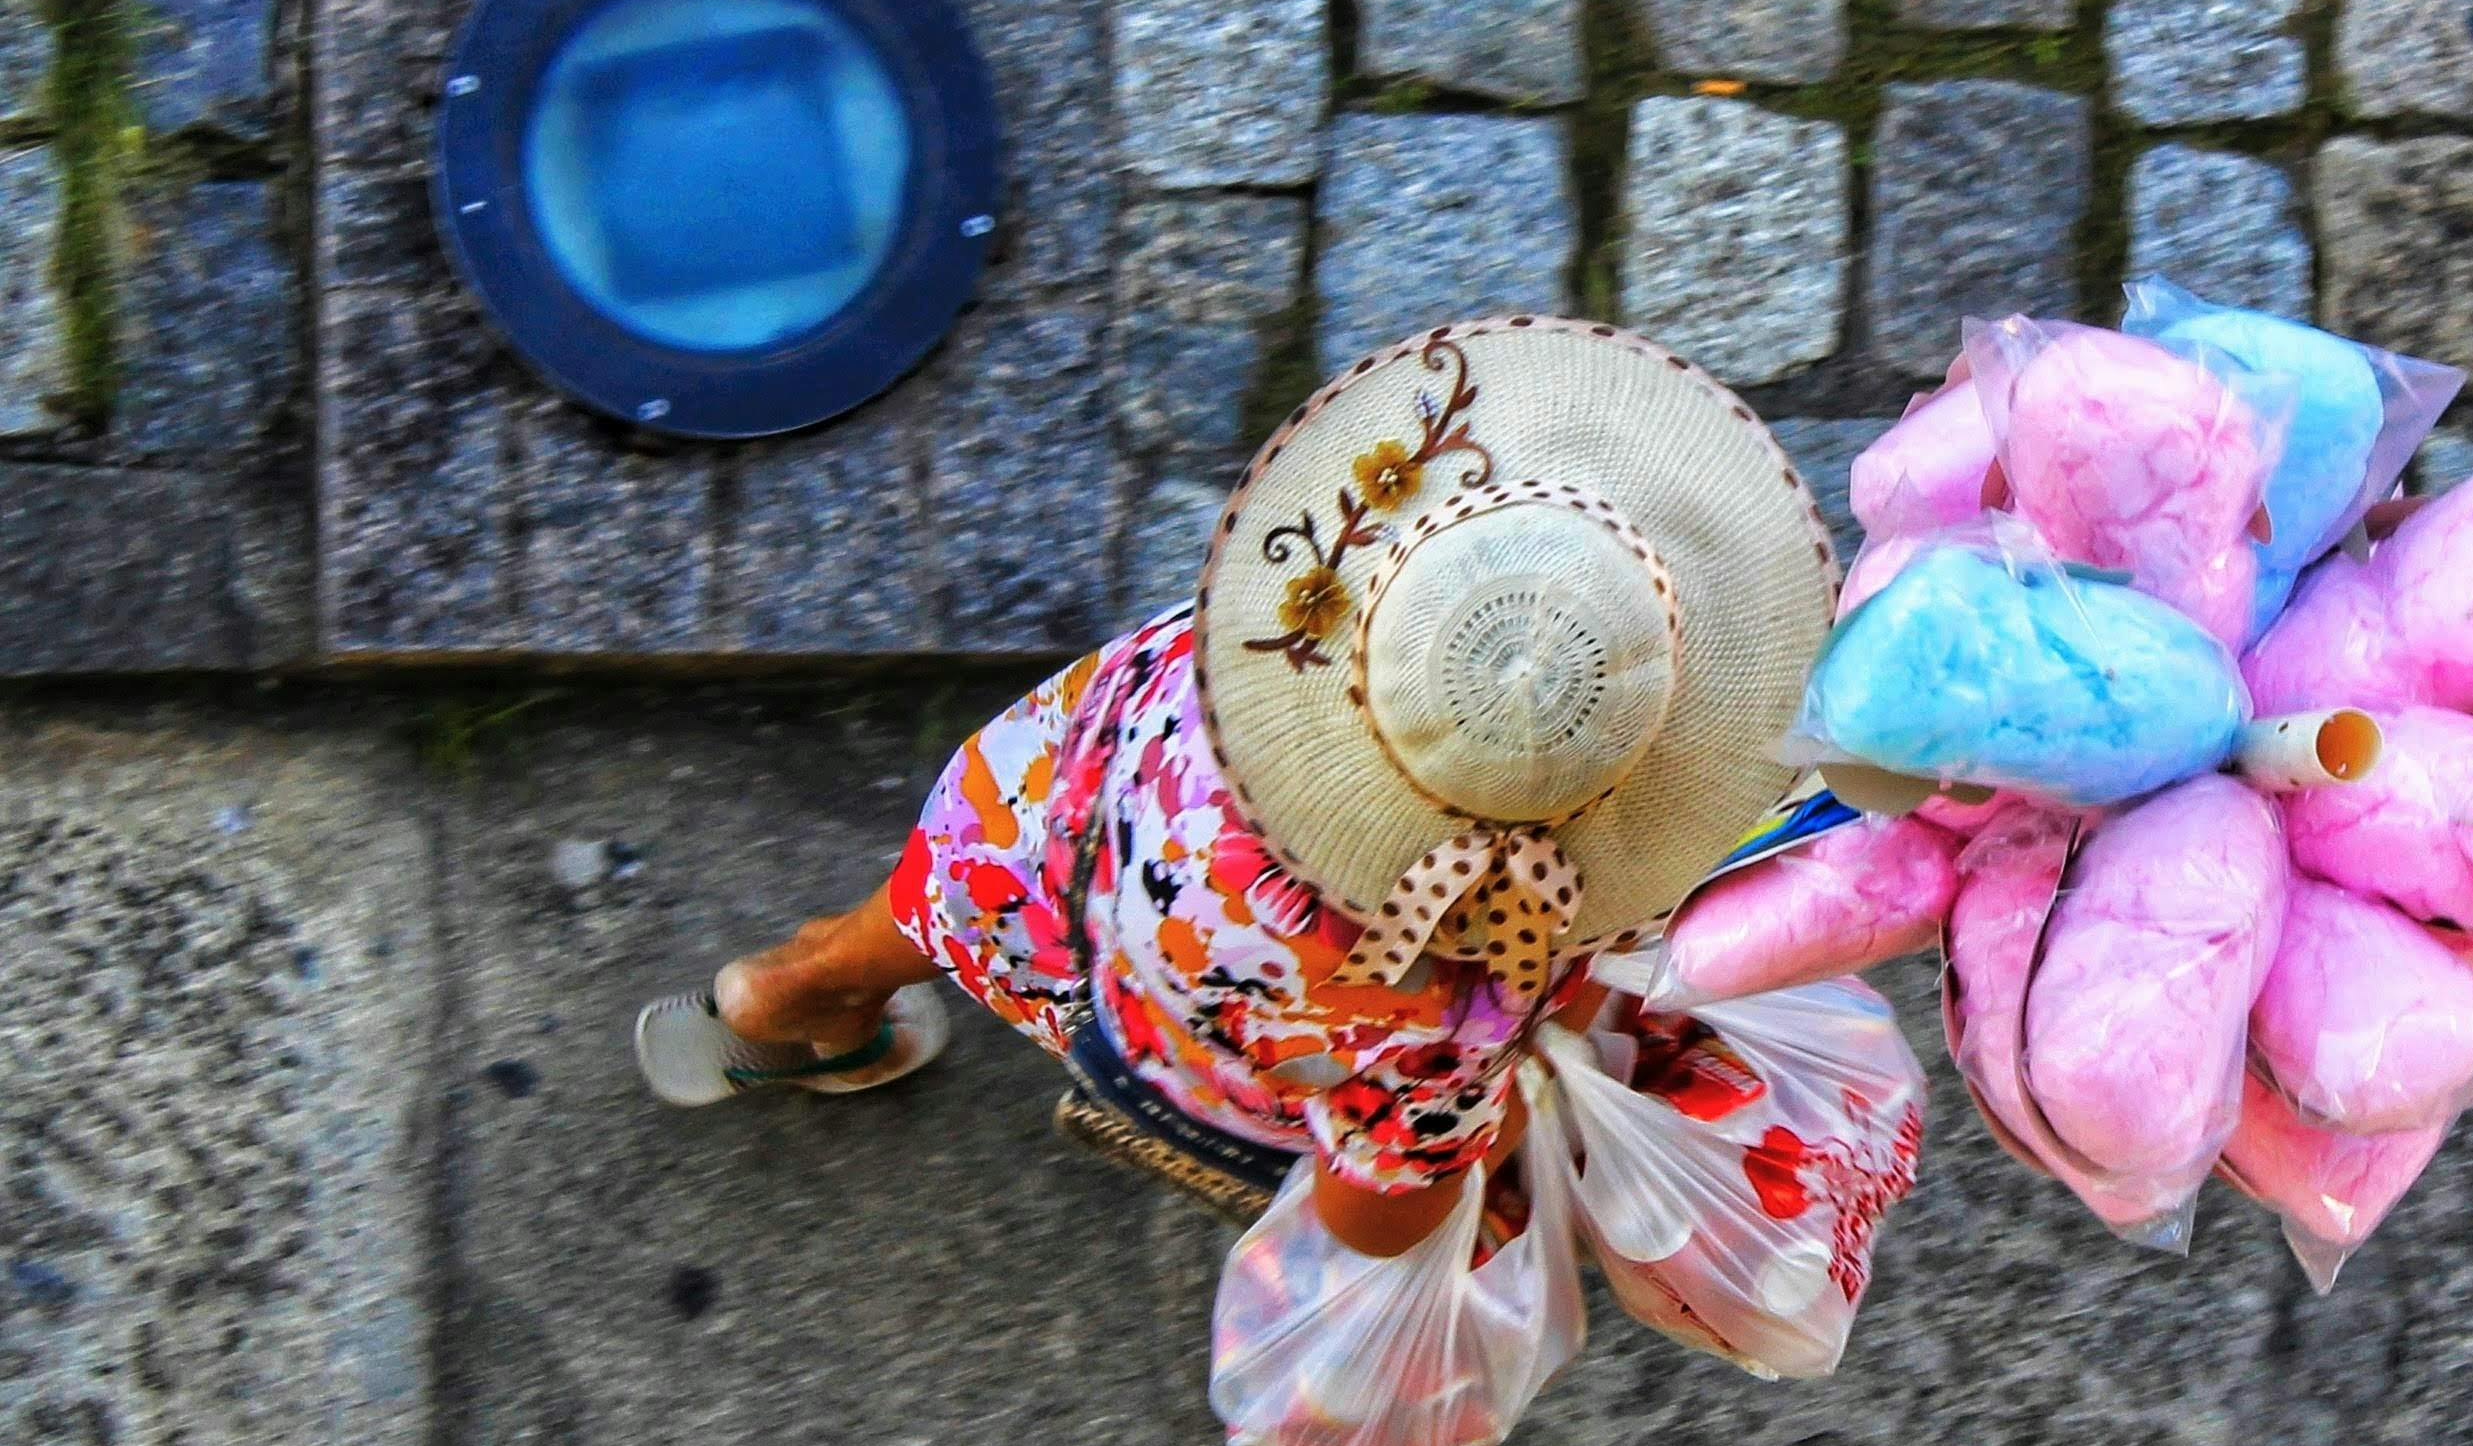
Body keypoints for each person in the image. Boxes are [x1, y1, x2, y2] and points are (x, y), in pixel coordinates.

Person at [634, 315, 1839, 1261]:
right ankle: (823, 991)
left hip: (1036, 825)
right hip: (1163, 1022)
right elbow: (1373, 1220)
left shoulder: (1266, 639)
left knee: (943, 900)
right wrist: (1509, 1122)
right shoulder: (1446, 1001)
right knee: (1488, 1204)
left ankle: (794, 988)